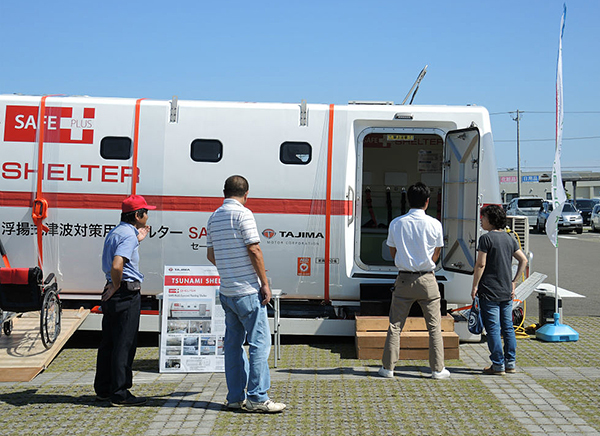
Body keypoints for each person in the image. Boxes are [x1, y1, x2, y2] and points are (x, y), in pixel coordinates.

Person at [207, 175, 286, 413]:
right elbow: (254, 249)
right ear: (246, 194)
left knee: (233, 345)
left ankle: (234, 397)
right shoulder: (244, 214)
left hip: (227, 291)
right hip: (247, 292)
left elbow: (211, 255)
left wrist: (228, 270)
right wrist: (264, 282)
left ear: (224, 191)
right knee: (259, 344)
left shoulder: (214, 217)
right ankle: (257, 397)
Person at [379, 182, 450, 380]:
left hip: (403, 279)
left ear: (408, 200)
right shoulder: (435, 224)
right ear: (427, 202)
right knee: (434, 327)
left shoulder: (396, 223)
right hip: (427, 279)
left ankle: (388, 368)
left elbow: (393, 251)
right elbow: (437, 252)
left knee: (395, 325)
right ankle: (437, 369)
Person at [94, 195, 155, 406]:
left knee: (109, 342)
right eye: (146, 212)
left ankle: (103, 389)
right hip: (125, 293)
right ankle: (120, 393)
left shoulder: (117, 232)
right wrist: (117, 284)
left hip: (112, 294)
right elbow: (118, 264)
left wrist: (137, 239)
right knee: (124, 344)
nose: (148, 215)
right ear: (138, 215)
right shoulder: (128, 236)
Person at [471, 204, 528, 375]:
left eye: (484, 218)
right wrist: (514, 281)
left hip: (489, 290)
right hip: (505, 290)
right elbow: (523, 260)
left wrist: (474, 286)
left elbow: (481, 264)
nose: (482, 220)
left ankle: (497, 364)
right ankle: (510, 363)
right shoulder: (510, 239)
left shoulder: (485, 239)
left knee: (493, 329)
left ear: (492, 220)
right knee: (508, 327)